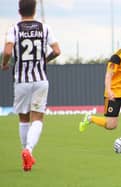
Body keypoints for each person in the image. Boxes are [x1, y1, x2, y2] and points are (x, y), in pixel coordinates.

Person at [1, 0, 61, 171]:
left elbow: (7, 51)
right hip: (40, 79)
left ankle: (24, 153)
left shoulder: (14, 28)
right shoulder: (45, 28)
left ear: (19, 10)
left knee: (23, 118)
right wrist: (44, 61)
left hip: (21, 80)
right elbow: (57, 51)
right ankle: (29, 150)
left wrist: (5, 64)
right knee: (38, 118)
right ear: (35, 9)